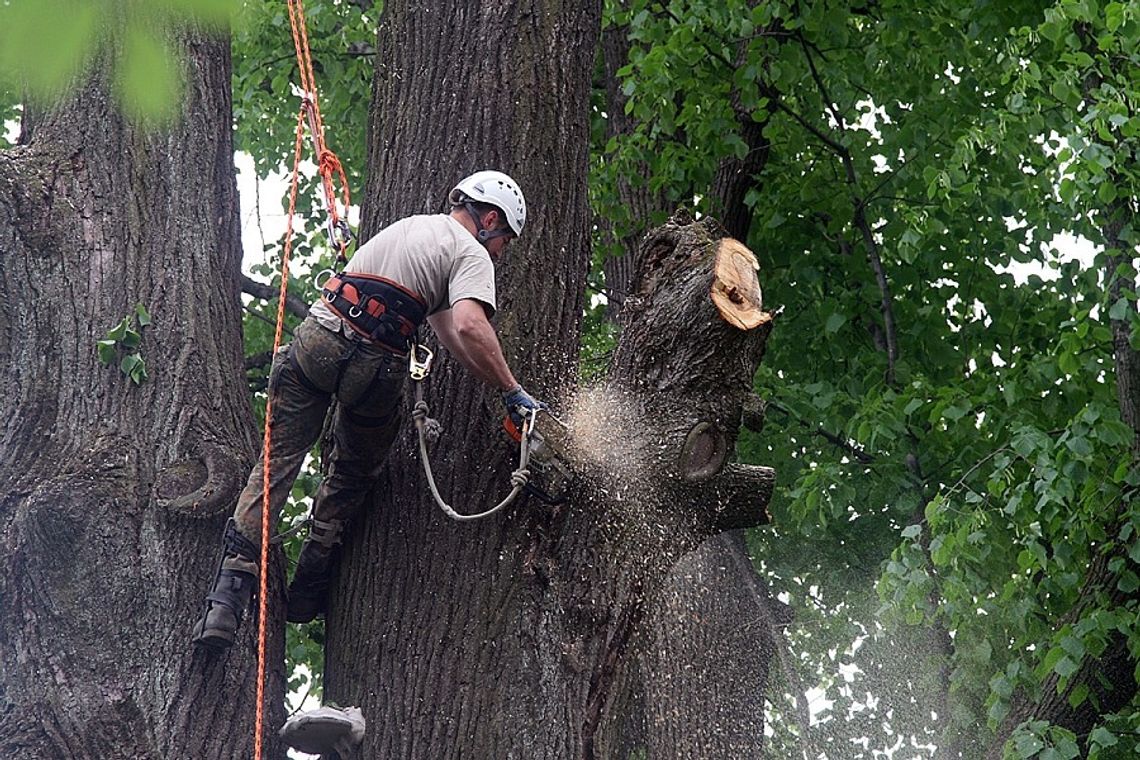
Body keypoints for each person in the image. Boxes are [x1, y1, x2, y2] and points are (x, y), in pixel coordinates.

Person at [192, 170, 545, 652]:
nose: (502, 252)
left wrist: (496, 384)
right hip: (375, 367)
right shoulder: (471, 252)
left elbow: (448, 333)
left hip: (320, 337)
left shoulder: (411, 229)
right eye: (505, 238)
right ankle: (312, 576)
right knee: (354, 470)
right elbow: (469, 325)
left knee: (274, 466)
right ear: (488, 219)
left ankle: (227, 598)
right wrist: (511, 390)